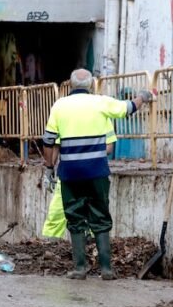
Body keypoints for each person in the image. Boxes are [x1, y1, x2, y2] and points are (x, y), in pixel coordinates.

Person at [41, 69, 153, 280]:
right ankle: (106, 269)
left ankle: (80, 269)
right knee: (100, 217)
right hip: (96, 172)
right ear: (92, 85)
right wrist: (143, 97)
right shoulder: (100, 102)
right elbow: (129, 108)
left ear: (70, 85)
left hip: (70, 173)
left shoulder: (59, 106)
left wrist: (49, 168)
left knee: (75, 218)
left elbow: (48, 141)